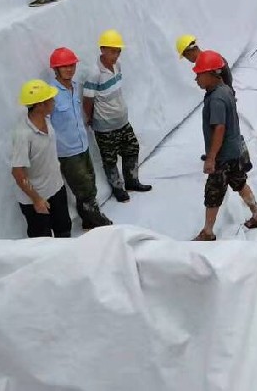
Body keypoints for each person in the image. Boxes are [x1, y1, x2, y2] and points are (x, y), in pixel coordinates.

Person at [191, 50, 257, 241]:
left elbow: (219, 128)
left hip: (222, 156)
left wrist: (211, 158)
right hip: (235, 151)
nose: (196, 79)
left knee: (213, 194)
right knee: (240, 182)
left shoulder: (216, 99)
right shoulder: (225, 89)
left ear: (211, 74)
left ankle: (208, 232)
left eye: (199, 74)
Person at [83, 29, 152, 203]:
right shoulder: (94, 73)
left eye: (118, 51)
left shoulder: (117, 66)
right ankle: (118, 188)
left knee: (132, 148)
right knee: (110, 159)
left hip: (122, 120)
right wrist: (90, 118)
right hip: (105, 126)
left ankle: (132, 181)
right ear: (102, 49)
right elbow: (88, 99)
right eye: (113, 51)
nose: (116, 55)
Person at [49, 47, 112, 230]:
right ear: (56, 69)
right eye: (64, 66)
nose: (69, 69)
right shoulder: (51, 93)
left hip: (82, 146)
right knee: (85, 189)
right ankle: (98, 221)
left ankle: (88, 220)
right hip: (67, 152)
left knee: (90, 181)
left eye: (71, 65)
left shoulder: (75, 86)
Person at [11, 79, 71, 238]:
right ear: (39, 105)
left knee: (63, 230)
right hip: (36, 199)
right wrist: (37, 200)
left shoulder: (47, 119)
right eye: (50, 99)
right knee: (42, 240)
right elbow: (18, 172)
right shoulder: (23, 135)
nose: (53, 102)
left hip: (56, 188)